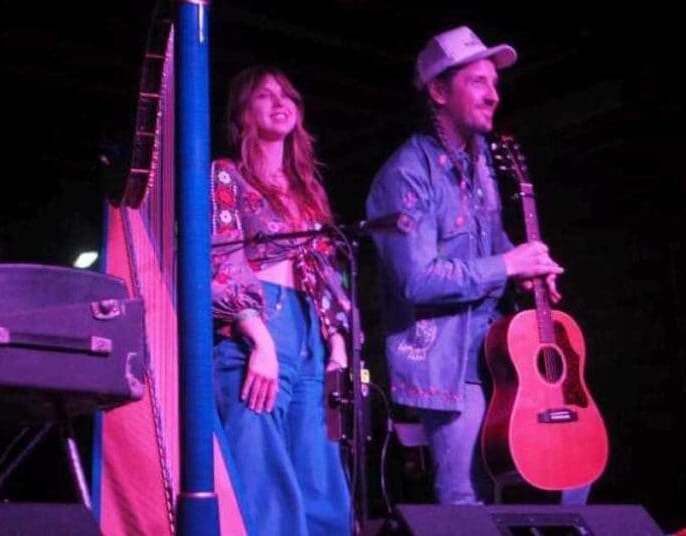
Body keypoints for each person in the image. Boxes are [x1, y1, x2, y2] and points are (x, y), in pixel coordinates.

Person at [365, 25, 591, 506]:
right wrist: (506, 265)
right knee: (467, 497)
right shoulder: (405, 173)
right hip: (448, 363)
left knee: (568, 473)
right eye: (477, 82)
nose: (493, 95)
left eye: (495, 83)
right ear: (438, 92)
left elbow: (489, 238)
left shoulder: (482, 159)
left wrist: (527, 266)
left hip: (500, 349)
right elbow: (415, 280)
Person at [210, 66, 352, 536]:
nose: (280, 103)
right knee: (262, 478)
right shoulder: (227, 175)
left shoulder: (308, 190)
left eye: (287, 95)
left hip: (311, 328)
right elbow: (222, 256)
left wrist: (337, 343)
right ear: (242, 113)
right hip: (258, 320)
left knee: (320, 473)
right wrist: (259, 339)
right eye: (265, 95)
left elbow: (327, 269)